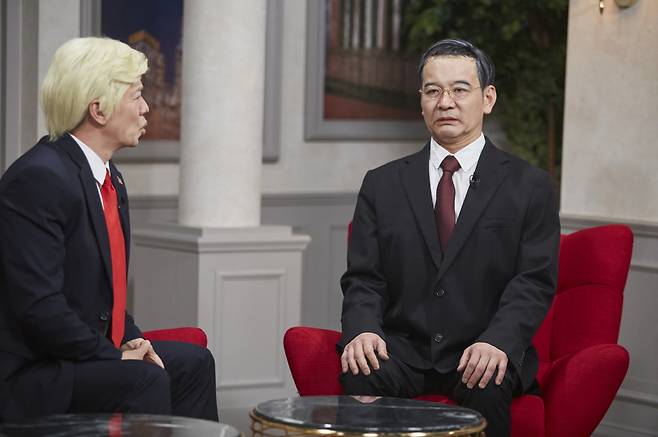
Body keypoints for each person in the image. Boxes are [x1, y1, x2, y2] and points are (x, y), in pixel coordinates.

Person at [338, 38, 559, 437]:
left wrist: (499, 341)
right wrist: (363, 329)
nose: (445, 102)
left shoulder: (530, 186)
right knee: (361, 370)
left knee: (488, 380)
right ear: (421, 101)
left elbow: (533, 282)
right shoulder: (381, 184)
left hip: (483, 347)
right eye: (433, 91)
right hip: (403, 349)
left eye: (459, 89)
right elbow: (364, 278)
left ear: (487, 98)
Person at [0, 37, 218, 421]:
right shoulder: (38, 178)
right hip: (36, 372)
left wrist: (133, 338)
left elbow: (103, 296)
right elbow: (39, 307)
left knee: (194, 363)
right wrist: (114, 356)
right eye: (136, 96)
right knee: (144, 379)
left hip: (79, 355)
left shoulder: (108, 177)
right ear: (98, 110)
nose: (146, 107)